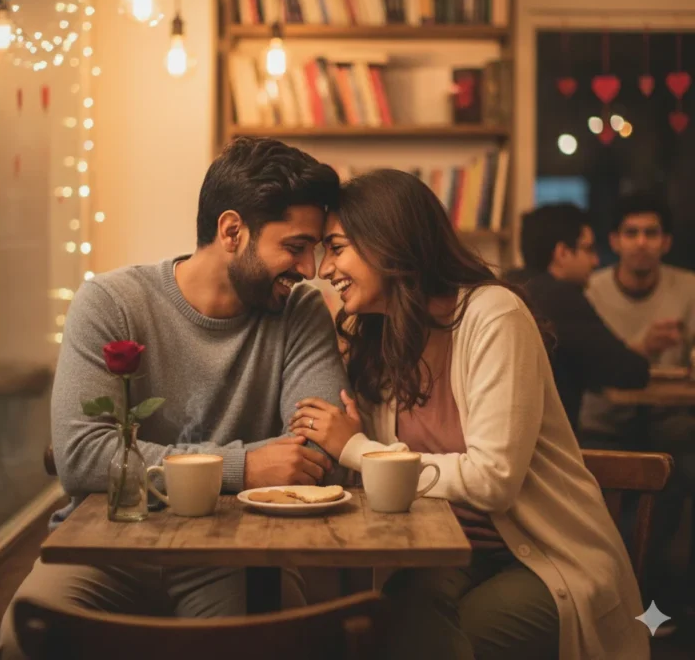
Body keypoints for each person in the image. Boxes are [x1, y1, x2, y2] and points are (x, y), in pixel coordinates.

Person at [0, 138, 350, 658]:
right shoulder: (111, 302)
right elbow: (82, 458)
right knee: (25, 638)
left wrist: (187, 466)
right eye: (296, 247)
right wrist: (245, 466)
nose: (312, 268)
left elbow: (313, 454)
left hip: (237, 548)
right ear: (232, 231)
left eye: (317, 249)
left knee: (263, 642)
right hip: (108, 547)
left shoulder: (301, 312)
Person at [289, 170, 648, 660]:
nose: (322, 268)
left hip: (543, 558)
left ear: (389, 240)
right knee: (390, 623)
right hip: (444, 552)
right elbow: (376, 475)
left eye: (336, 247)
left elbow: (493, 479)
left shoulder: (493, 316)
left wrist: (356, 448)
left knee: (438, 642)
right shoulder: (382, 337)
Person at [580, 191, 695, 623]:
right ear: (615, 240)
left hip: (670, 418)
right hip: (603, 419)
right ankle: (617, 604)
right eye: (632, 233)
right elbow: (585, 365)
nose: (641, 242)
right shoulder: (590, 289)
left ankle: (662, 605)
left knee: (675, 479)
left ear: (666, 242)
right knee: (598, 492)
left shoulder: (688, 286)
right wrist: (640, 349)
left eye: (651, 233)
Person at [506, 203, 649, 430]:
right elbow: (630, 371)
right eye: (589, 249)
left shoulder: (508, 285)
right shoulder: (560, 298)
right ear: (562, 252)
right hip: (549, 449)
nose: (596, 261)